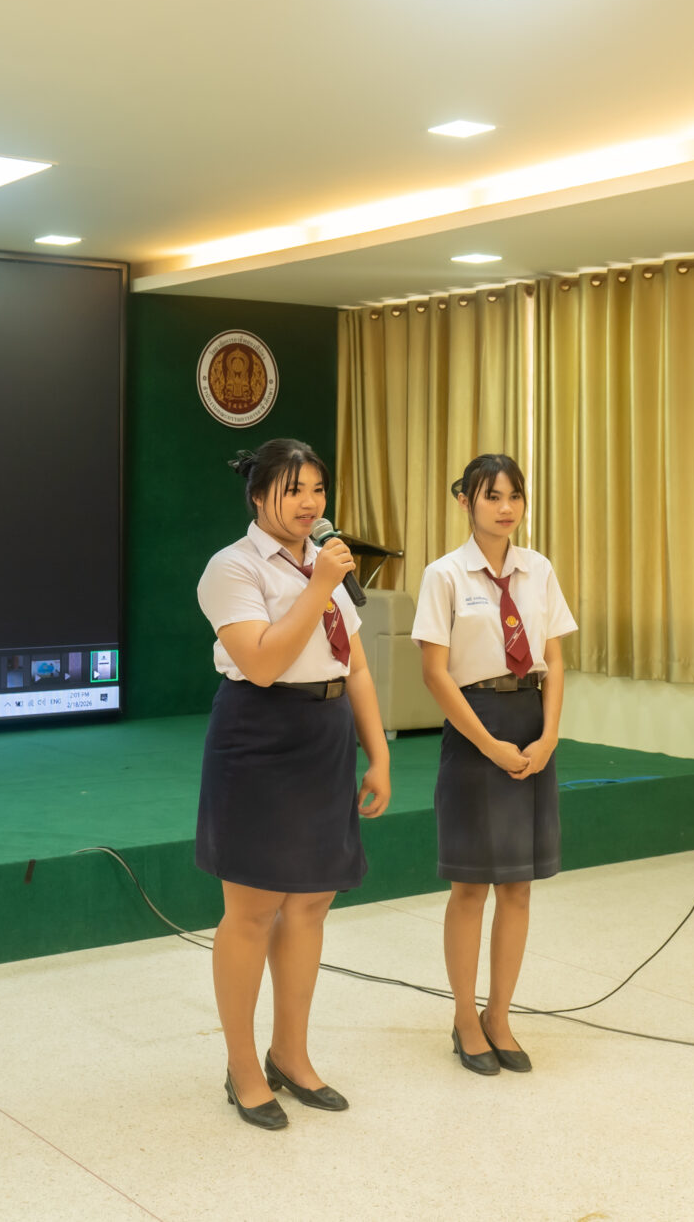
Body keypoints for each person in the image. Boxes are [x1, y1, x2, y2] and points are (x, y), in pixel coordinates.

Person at [195, 438, 392, 1129]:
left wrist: (378, 754)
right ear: (257, 497)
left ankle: (291, 1053)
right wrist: (316, 585)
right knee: (252, 911)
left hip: (326, 737)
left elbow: (356, 666)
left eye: (318, 488)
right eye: (293, 489)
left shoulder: (323, 562)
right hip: (260, 737)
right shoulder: (232, 567)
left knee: (309, 906)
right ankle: (242, 1067)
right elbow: (262, 663)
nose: (310, 502)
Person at [413, 454, 576, 1076]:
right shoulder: (445, 575)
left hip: (531, 724)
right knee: (470, 886)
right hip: (474, 726)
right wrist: (487, 744)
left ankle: (499, 1015)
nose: (506, 508)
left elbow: (554, 660)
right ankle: (463, 1018)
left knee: (518, 884)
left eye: (515, 496)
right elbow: (435, 673)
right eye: (492, 496)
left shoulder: (539, 569)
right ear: (465, 501)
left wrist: (550, 735)